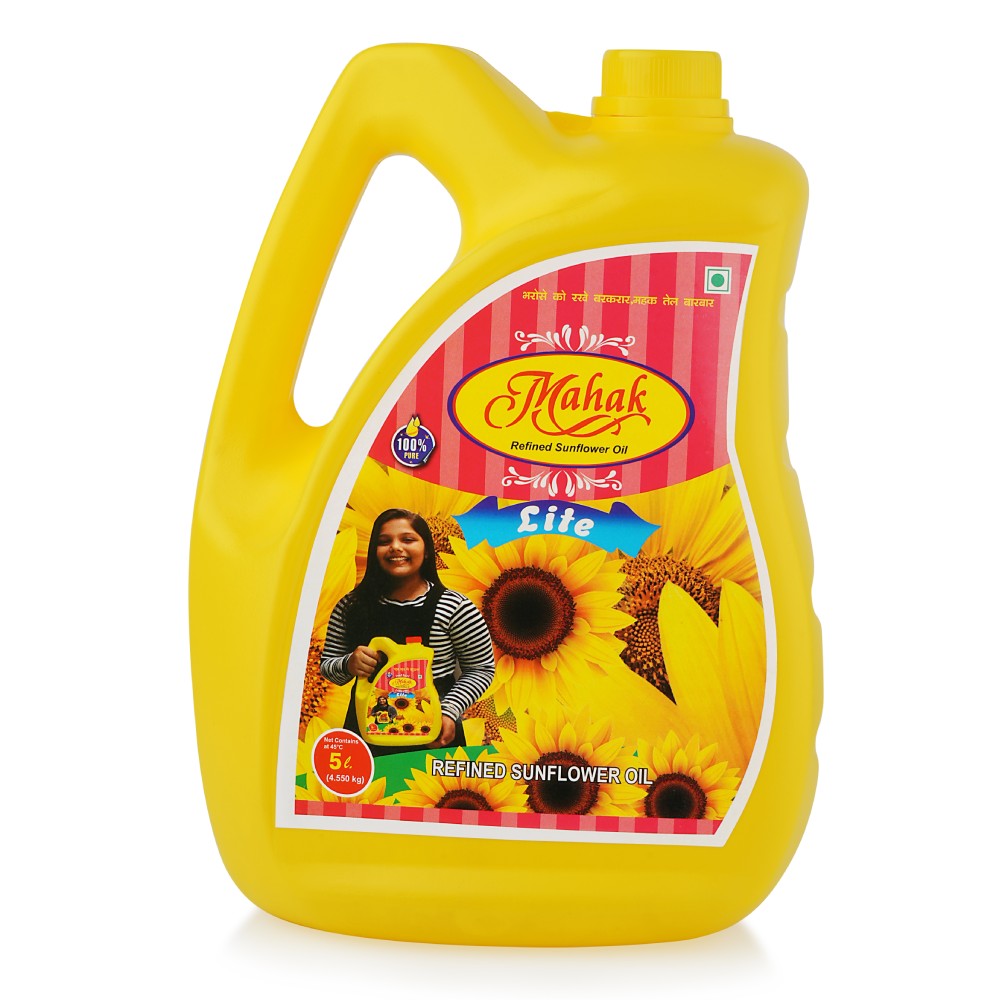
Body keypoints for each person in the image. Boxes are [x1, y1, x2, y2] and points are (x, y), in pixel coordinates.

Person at [320, 508, 495, 755]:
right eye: (384, 541)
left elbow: (481, 669)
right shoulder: (350, 606)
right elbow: (329, 668)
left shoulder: (456, 607)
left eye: (408, 539)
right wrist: (349, 664)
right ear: (373, 551)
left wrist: (448, 710)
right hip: (367, 734)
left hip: (435, 731)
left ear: (427, 551)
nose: (395, 547)